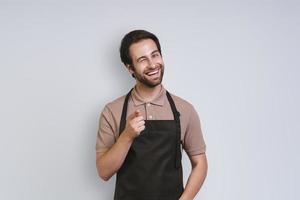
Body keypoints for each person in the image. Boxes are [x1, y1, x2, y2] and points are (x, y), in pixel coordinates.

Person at [96, 29, 208, 200]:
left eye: (155, 55)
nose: (152, 64)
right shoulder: (112, 111)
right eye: (142, 60)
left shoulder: (185, 109)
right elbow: (103, 172)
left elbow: (200, 163)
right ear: (130, 68)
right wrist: (127, 136)